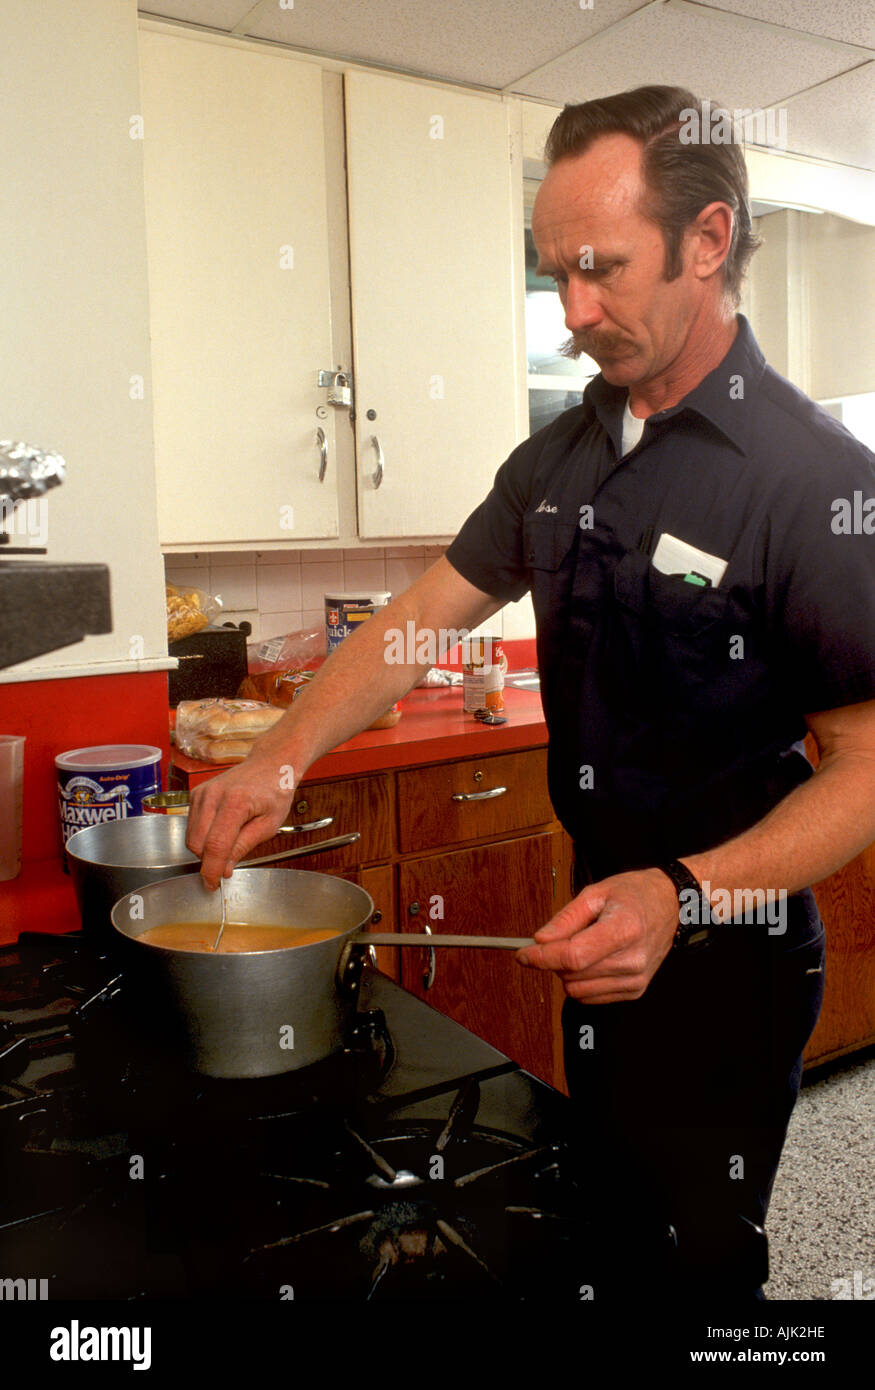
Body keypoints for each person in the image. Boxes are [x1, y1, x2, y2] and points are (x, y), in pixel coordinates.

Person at [186, 85, 875, 1301]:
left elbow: (866, 765)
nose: (570, 312)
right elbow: (412, 629)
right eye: (553, 272)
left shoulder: (809, 480)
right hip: (592, 916)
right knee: (597, 1218)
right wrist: (278, 755)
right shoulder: (556, 457)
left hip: (729, 946)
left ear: (707, 242)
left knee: (700, 1263)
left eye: (600, 270)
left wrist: (684, 896)